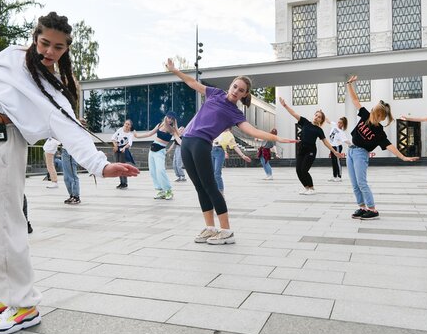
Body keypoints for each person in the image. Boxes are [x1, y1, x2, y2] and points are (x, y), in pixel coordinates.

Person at [0, 12, 137, 334]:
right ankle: (4, 296)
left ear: (65, 49)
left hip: (3, 142)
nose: (49, 51)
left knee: (3, 223)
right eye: (45, 43)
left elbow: (70, 129)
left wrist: (101, 165)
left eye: (58, 47)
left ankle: (25, 305)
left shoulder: (51, 89)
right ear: (35, 38)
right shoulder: (10, 56)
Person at [165, 58, 295, 245]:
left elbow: (251, 130)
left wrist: (275, 138)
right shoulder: (215, 93)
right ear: (231, 85)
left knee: (210, 187)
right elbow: (193, 83)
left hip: (202, 144)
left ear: (245, 94)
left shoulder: (235, 113)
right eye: (235, 87)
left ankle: (226, 231)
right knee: (199, 187)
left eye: (241, 90)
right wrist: (175, 70)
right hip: (186, 143)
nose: (236, 91)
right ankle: (210, 228)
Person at [345, 75, 419, 220]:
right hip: (351, 151)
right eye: (373, 112)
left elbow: (389, 145)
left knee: (361, 182)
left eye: (377, 115)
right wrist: (349, 84)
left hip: (360, 153)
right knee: (354, 183)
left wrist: (403, 157)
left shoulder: (379, 132)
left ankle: (372, 210)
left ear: (381, 117)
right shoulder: (365, 115)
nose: (373, 115)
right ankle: (362, 207)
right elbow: (355, 100)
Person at [278, 98, 344, 195]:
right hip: (302, 150)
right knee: (298, 170)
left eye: (319, 117)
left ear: (321, 120)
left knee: (304, 170)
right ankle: (306, 187)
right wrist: (285, 105)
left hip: (311, 151)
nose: (317, 117)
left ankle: (312, 189)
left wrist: (334, 152)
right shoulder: (305, 122)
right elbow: (293, 113)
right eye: (316, 115)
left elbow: (325, 142)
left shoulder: (319, 130)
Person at [134, 112, 181, 199]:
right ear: (166, 117)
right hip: (152, 150)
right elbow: (149, 134)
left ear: (174, 120)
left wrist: (187, 145)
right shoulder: (160, 125)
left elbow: (178, 139)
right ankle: (161, 191)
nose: (170, 119)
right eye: (169, 117)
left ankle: (168, 191)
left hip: (160, 151)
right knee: (153, 172)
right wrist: (137, 136)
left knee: (160, 171)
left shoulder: (172, 129)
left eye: (172, 119)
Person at [111, 119, 135, 189]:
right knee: (118, 166)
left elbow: (130, 143)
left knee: (122, 167)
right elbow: (113, 138)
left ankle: (125, 183)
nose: (126, 125)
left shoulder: (130, 134)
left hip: (123, 151)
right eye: (126, 123)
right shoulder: (120, 130)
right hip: (117, 149)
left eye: (128, 124)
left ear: (130, 126)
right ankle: (121, 182)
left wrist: (124, 148)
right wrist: (115, 145)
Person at [327, 117, 349, 182]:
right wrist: (322, 113)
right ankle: (334, 176)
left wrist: (352, 145)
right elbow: (327, 120)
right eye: (338, 122)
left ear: (343, 125)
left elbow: (346, 141)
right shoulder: (334, 125)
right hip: (332, 147)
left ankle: (339, 176)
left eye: (340, 123)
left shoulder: (341, 132)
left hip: (337, 147)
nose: (338, 124)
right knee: (333, 162)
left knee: (337, 161)